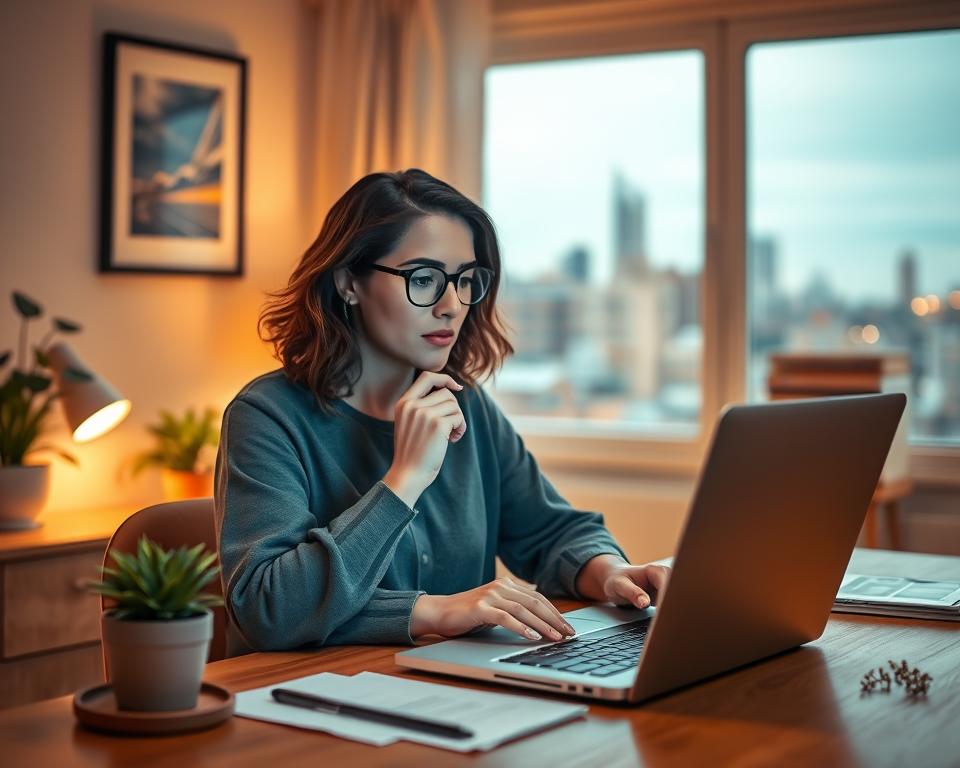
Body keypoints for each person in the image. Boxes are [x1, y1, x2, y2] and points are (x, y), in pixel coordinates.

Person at [215, 169, 670, 654]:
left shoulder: (467, 404)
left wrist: (612, 573)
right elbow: (269, 608)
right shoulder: (266, 417)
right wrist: (406, 482)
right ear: (350, 282)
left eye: (465, 280)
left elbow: (552, 530)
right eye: (425, 278)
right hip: (307, 701)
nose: (453, 305)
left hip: (456, 690)